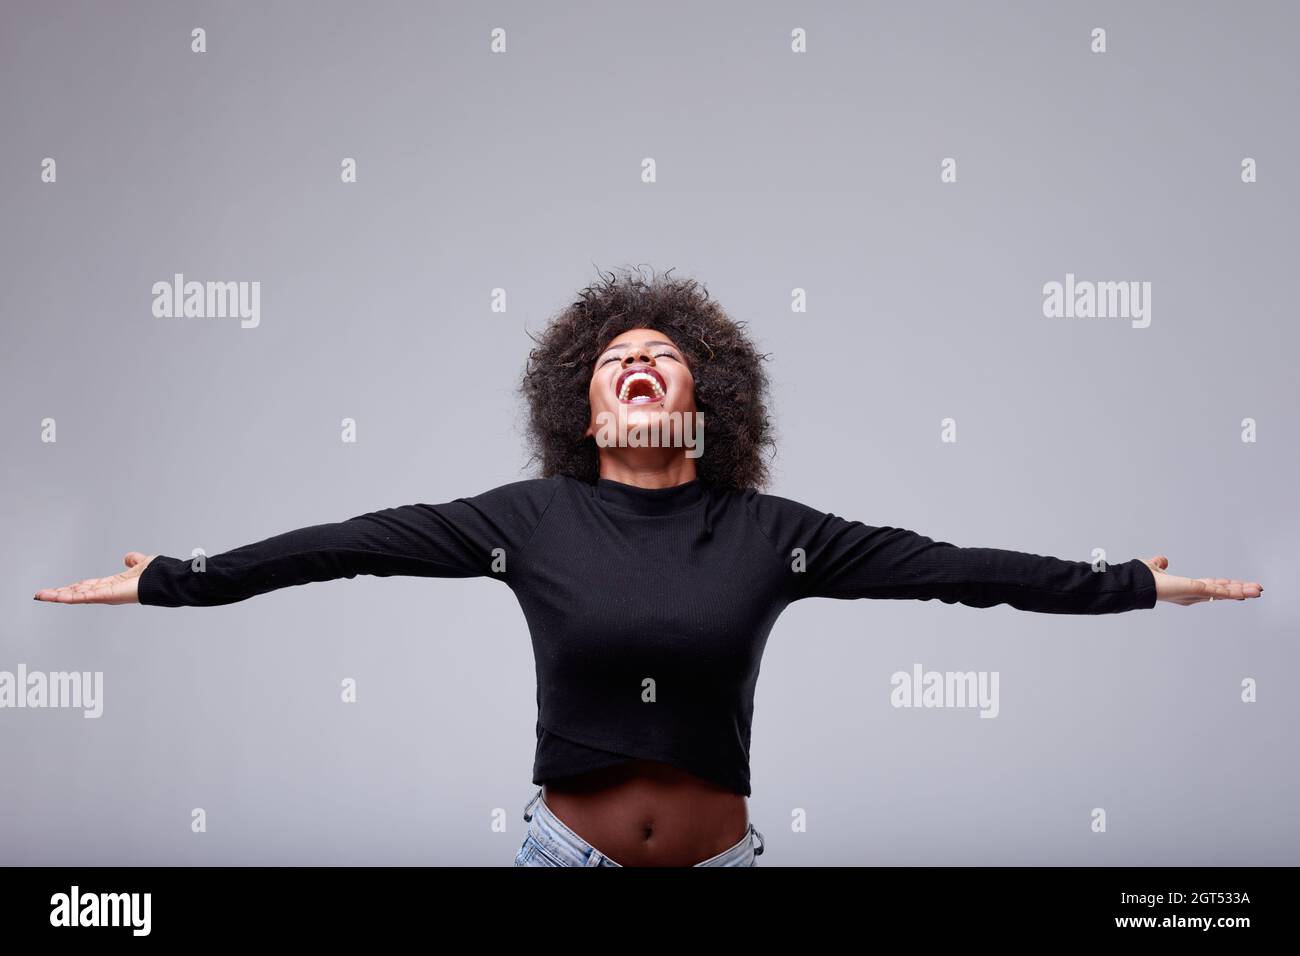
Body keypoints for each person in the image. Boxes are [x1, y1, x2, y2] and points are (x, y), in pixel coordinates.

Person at [33, 267, 1264, 867]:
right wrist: (172, 576)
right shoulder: (529, 515)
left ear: (703, 398)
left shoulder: (772, 529)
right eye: (614, 354)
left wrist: (1131, 582)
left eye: (661, 354)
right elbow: (347, 543)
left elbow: (954, 568)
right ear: (580, 402)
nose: (636, 360)